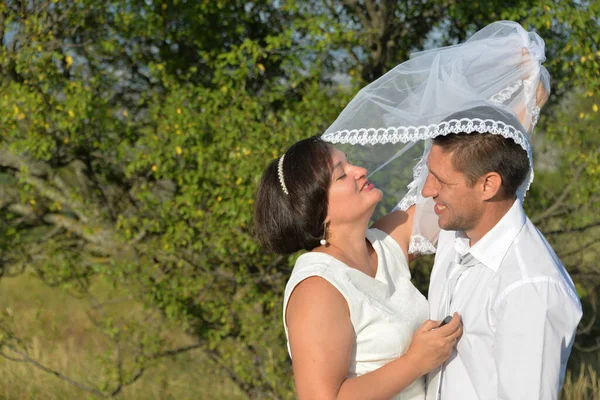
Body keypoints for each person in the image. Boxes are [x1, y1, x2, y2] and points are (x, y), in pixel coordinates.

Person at [254, 135, 463, 400]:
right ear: (318, 208)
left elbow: (458, 190)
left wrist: (523, 106)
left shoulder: (385, 242)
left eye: (349, 163)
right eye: (342, 175)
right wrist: (415, 362)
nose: (360, 171)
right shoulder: (317, 288)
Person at [421, 106, 582, 400]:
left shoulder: (530, 288)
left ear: (488, 185)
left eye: (441, 180)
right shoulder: (453, 233)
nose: (426, 191)